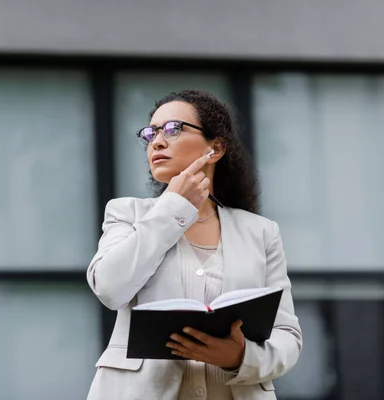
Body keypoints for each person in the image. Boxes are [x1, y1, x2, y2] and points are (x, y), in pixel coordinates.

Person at [86, 90, 302, 400]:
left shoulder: (261, 232)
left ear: (216, 147)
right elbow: (109, 287)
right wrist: (173, 206)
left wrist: (239, 357)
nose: (156, 142)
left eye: (173, 129)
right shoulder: (126, 214)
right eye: (150, 133)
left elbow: (287, 337)